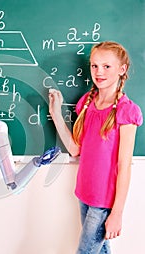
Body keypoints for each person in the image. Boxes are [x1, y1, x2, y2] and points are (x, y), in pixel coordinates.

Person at [48, 41, 143, 253]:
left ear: (122, 69)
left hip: (103, 201)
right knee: (100, 250)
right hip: (84, 192)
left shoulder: (127, 112)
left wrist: (117, 213)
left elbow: (124, 166)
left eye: (106, 66)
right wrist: (56, 113)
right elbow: (75, 149)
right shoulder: (87, 104)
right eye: (94, 66)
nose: (99, 72)